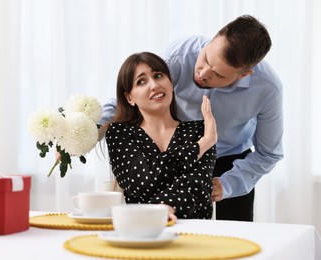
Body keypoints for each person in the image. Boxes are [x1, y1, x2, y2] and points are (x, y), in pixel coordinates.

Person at [100, 15, 283, 221]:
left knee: (235, 239)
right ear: (213, 39)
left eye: (219, 75)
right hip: (178, 150)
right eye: (205, 59)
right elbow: (133, 94)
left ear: (243, 75)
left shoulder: (268, 89)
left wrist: (228, 184)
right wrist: (90, 130)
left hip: (232, 160)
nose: (202, 74)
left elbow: (269, 154)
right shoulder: (181, 56)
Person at [100, 52, 217, 220]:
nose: (154, 85)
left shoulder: (199, 130)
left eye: (158, 75)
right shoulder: (120, 133)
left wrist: (167, 207)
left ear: (171, 83)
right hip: (142, 230)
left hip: (195, 232)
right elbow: (144, 182)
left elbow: (198, 186)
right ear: (129, 98)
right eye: (141, 81)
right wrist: (202, 145)